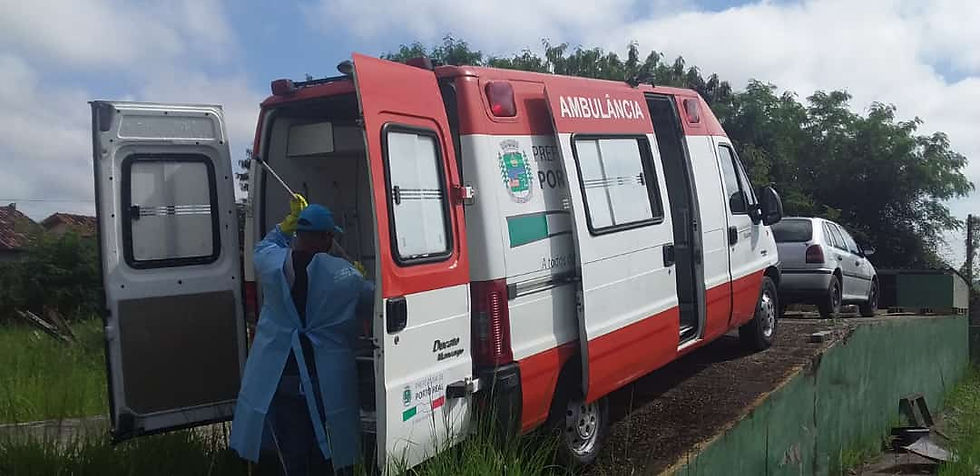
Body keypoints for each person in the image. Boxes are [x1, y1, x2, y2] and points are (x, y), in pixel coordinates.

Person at [230, 195, 373, 475]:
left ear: (299, 234)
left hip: (281, 373)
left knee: (292, 448)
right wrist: (360, 275)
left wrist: (284, 227)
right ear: (328, 238)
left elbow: (263, 247)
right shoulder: (346, 277)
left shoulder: (272, 266)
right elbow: (372, 302)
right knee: (329, 447)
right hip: (325, 378)